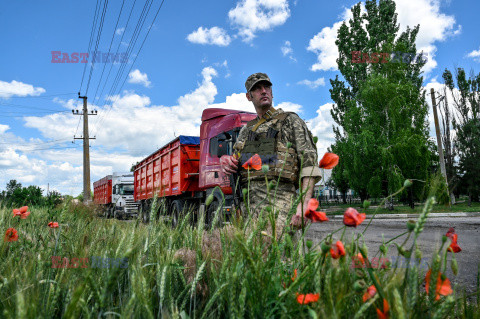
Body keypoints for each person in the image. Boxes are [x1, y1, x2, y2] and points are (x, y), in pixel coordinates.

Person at [221, 72, 321, 232]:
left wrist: (304, 203)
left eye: (267, 86)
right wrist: (226, 161)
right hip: (249, 209)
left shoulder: (290, 121)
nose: (263, 91)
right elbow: (236, 164)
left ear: (272, 92)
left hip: (281, 206)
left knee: (284, 255)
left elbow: (309, 163)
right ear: (249, 96)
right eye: (257, 88)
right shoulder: (246, 131)